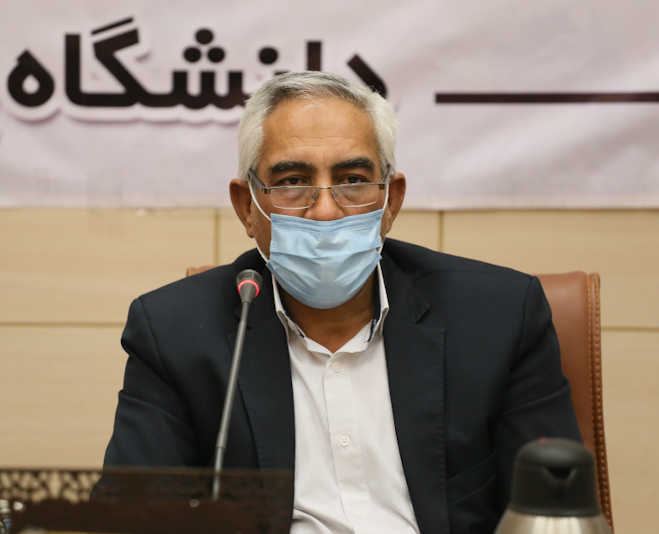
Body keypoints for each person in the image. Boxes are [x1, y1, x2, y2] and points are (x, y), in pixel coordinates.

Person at [101, 71, 582, 534]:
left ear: (391, 201)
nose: (326, 210)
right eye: (292, 182)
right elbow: (133, 518)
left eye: (352, 179)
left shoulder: (498, 318)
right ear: (248, 206)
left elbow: (556, 515)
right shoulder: (173, 335)